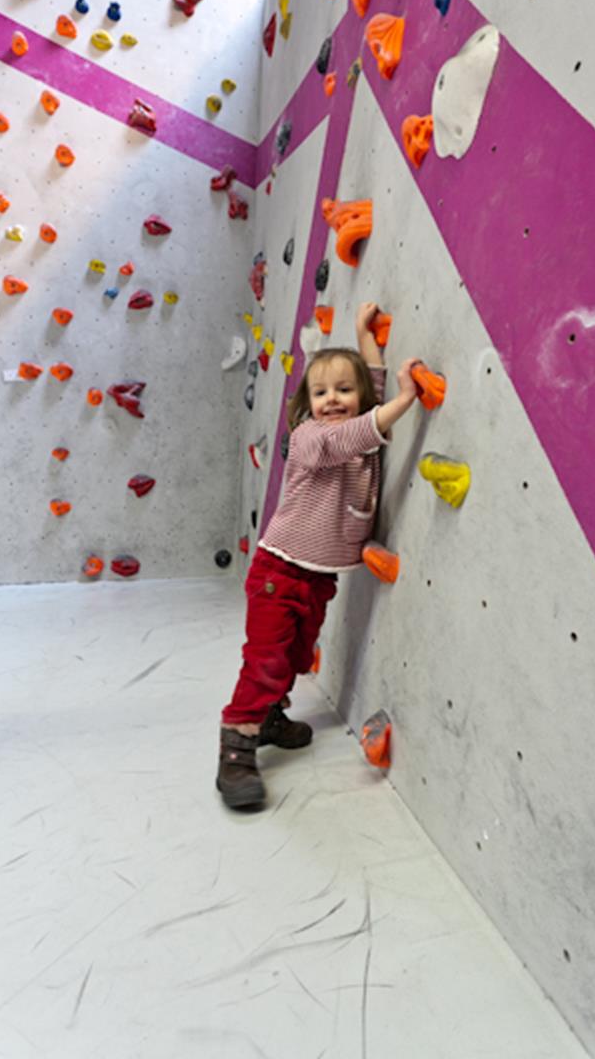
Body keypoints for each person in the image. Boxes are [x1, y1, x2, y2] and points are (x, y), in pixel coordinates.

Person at [217, 301, 421, 809]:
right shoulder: (312, 439)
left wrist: (362, 335)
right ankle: (236, 748)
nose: (333, 399)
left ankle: (267, 718)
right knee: (265, 660)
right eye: (321, 392)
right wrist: (406, 400)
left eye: (344, 391)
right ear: (307, 402)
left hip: (317, 578)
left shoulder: (359, 424)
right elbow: (361, 425)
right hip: (278, 571)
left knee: (292, 656)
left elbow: (369, 389)